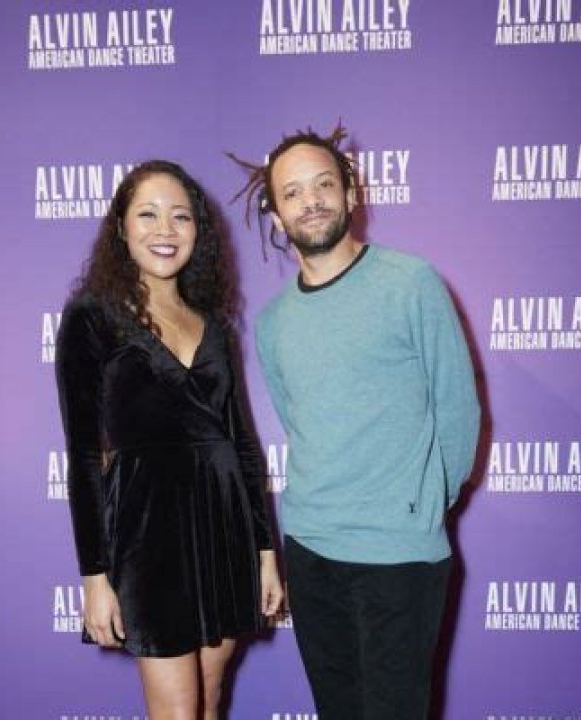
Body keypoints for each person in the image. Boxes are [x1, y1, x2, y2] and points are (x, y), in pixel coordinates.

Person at [229, 127, 480, 719]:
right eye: (292, 193)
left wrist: (418, 506)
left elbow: (458, 410)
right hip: (311, 550)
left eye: (323, 184)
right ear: (276, 216)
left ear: (351, 193)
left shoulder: (411, 283)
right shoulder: (272, 323)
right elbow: (300, 422)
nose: (310, 201)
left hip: (399, 554)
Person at [55, 160, 283, 720]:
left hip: (224, 528)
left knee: (210, 700)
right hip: (148, 536)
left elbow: (242, 442)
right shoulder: (91, 317)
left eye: (181, 217)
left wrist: (264, 552)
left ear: (197, 232)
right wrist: (95, 577)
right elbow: (83, 456)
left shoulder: (215, 324)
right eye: (148, 214)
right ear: (121, 227)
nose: (165, 230)